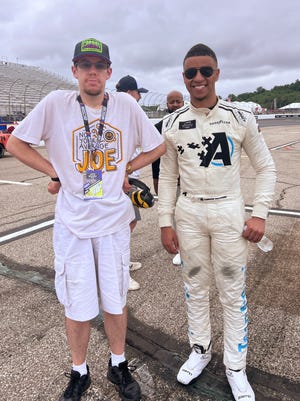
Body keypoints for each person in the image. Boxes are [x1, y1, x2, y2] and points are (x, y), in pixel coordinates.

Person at [7, 37, 165, 401]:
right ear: (74, 70)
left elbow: (157, 146)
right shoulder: (56, 104)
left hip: (113, 223)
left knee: (115, 299)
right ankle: (79, 371)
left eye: (99, 66)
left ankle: (118, 363)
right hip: (73, 225)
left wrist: (127, 166)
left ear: (109, 72)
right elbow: (15, 143)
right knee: (77, 304)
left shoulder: (125, 105)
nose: (92, 72)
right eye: (85, 65)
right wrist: (55, 173)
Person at [157, 43, 276, 401]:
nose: (198, 78)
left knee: (231, 291)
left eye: (205, 71)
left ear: (217, 74)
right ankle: (200, 350)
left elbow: (266, 168)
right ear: (184, 77)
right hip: (189, 213)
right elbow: (166, 177)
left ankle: (236, 367)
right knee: (194, 287)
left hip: (228, 212)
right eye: (191, 73)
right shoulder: (173, 123)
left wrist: (260, 214)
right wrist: (165, 221)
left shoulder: (241, 118)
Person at [116, 75, 149, 291]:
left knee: (128, 222)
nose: (139, 97)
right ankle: (119, 270)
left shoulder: (122, 112)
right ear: (129, 94)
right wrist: (124, 174)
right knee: (125, 224)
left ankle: (121, 263)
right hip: (122, 181)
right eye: (138, 93)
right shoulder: (123, 114)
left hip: (126, 178)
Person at [152, 90, 184, 266]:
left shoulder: (191, 122)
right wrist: (157, 181)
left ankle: (188, 247)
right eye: (172, 102)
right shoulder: (159, 127)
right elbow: (156, 158)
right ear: (167, 104)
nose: (175, 105)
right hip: (169, 179)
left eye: (178, 101)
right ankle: (180, 249)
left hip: (188, 180)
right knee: (173, 216)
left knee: (186, 216)